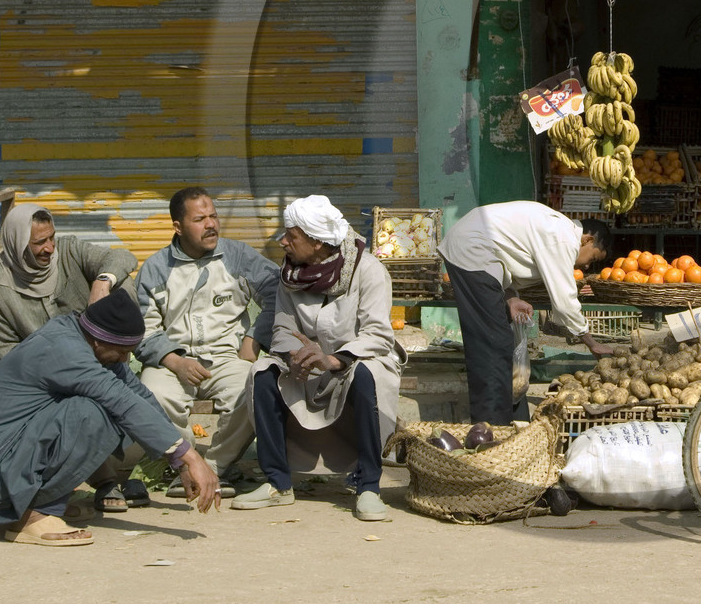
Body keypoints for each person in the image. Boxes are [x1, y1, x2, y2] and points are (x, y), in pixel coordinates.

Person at [0, 288, 221, 547]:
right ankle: (32, 515)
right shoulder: (64, 349)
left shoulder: (89, 341)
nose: (124, 358)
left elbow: (139, 396)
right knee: (93, 414)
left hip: (6, 461)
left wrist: (179, 463)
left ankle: (42, 500)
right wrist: (191, 457)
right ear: (98, 340)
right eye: (120, 352)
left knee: (113, 406)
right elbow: (123, 402)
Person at [234, 196, 405, 522]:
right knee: (263, 371)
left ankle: (369, 485)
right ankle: (277, 484)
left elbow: (378, 336)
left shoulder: (368, 271)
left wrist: (335, 359)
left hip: (354, 364)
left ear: (316, 242)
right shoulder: (290, 275)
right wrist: (294, 355)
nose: (282, 241)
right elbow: (282, 327)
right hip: (308, 369)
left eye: (291, 236)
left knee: (369, 374)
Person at [135, 187, 280, 498]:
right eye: (200, 219)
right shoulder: (156, 268)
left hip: (227, 358)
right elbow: (143, 330)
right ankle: (184, 467)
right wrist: (174, 360)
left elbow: (278, 294)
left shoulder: (239, 256)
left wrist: (254, 339)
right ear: (178, 227)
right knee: (151, 393)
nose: (211, 224)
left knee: (255, 387)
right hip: (173, 361)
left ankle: (214, 467)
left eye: (213, 216)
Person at [439, 201, 614, 424]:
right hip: (471, 250)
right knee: (492, 345)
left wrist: (510, 297)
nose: (587, 267)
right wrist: (591, 342)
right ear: (587, 240)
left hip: (478, 252)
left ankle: (506, 422)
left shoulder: (556, 229)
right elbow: (564, 301)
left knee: (501, 342)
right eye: (593, 258)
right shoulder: (563, 237)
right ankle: (490, 429)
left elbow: (506, 255)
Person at [0, 205, 138, 364]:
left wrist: (101, 283)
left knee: (121, 282)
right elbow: (6, 346)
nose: (50, 248)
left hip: (97, 355)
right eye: (40, 242)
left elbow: (121, 257)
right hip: (44, 367)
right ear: (18, 244)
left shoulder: (69, 250)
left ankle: (118, 361)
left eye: (52, 237)